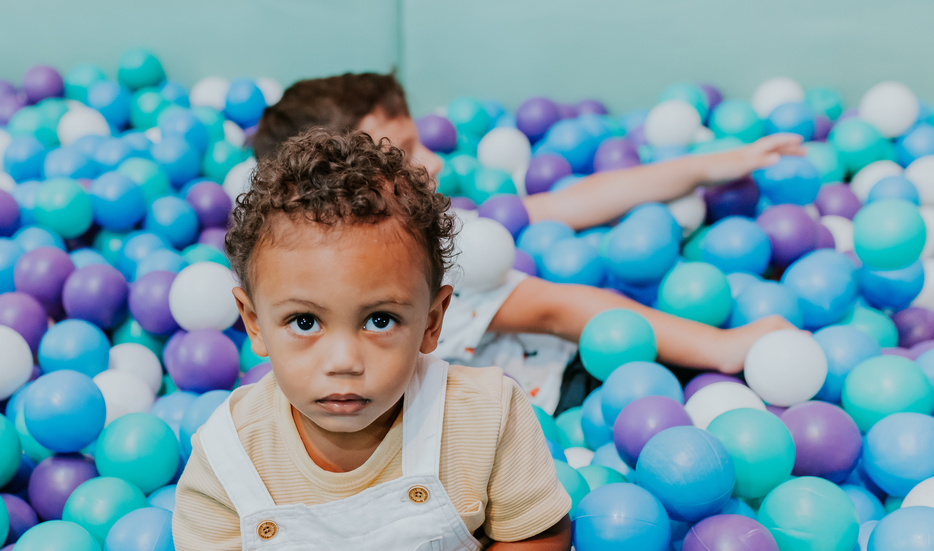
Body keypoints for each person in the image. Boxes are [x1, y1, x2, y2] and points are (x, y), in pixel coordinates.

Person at [174, 130, 572, 551]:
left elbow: (542, 536)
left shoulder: (480, 413)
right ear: (254, 324)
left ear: (432, 321)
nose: (343, 360)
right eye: (304, 321)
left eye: (379, 320)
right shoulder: (229, 451)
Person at [254, 73, 799, 411]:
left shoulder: (432, 231)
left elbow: (578, 202)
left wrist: (707, 166)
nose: (436, 160)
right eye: (406, 151)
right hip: (572, 391)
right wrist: (720, 347)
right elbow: (560, 309)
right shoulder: (433, 256)